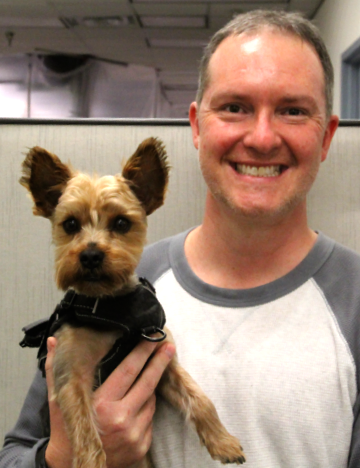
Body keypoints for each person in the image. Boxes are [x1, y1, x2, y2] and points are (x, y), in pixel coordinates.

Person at [1, 8, 359, 468]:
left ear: (327, 135)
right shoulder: (112, 291)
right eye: (235, 107)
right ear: (196, 124)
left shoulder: (354, 304)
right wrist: (60, 458)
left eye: (292, 110)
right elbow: (14, 455)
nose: (262, 137)